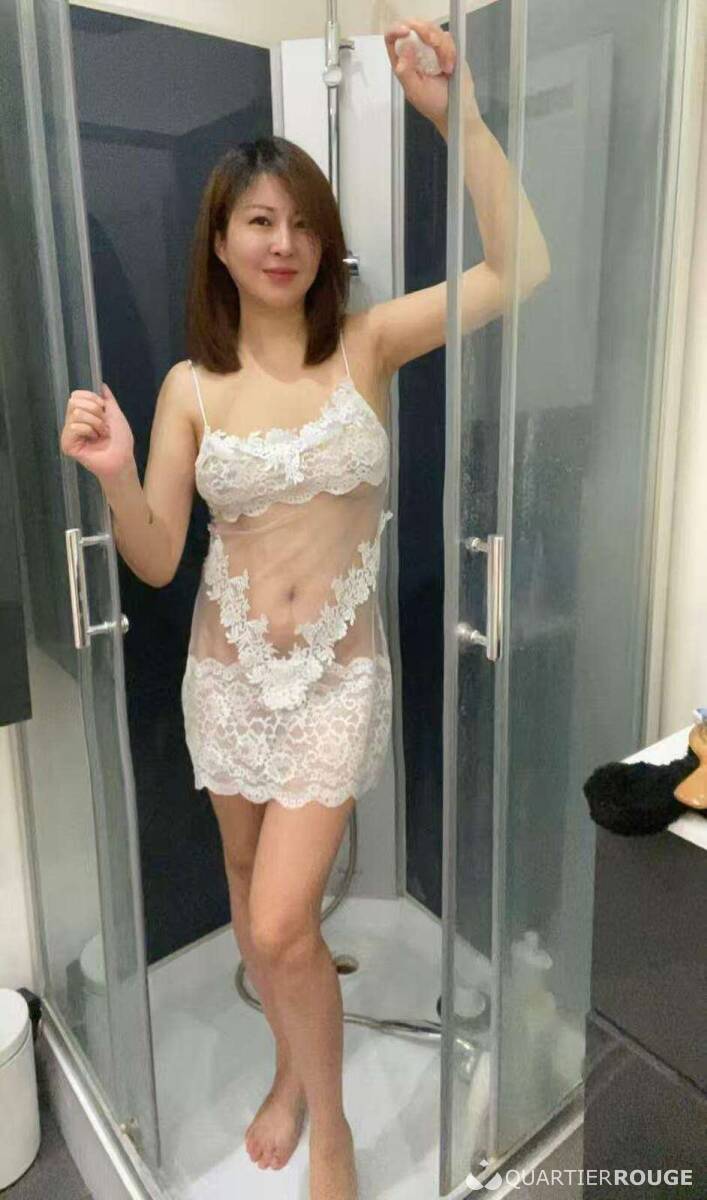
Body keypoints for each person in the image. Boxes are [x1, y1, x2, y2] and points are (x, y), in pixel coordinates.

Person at [60, 19, 549, 1200]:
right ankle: (289, 1070)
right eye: (257, 221)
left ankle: (330, 1128)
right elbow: (159, 560)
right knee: (247, 889)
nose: (281, 242)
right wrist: (118, 473)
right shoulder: (188, 386)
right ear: (219, 243)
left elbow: (517, 268)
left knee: (282, 923)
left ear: (324, 241)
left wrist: (452, 114)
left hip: (334, 678)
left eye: (300, 222)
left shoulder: (366, 345)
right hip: (225, 680)